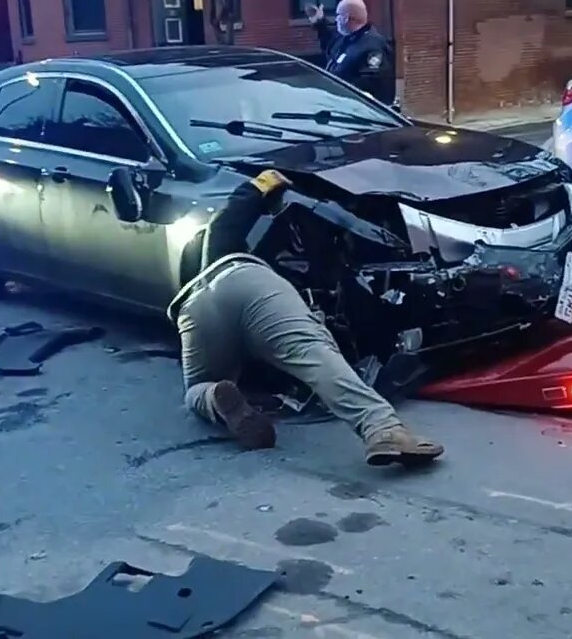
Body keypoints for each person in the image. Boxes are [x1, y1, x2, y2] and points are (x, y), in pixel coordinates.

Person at [167, 169, 443, 467]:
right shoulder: (244, 254)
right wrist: (257, 185)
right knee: (314, 355)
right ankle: (383, 429)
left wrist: (260, 186)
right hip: (250, 281)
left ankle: (212, 397)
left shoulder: (207, 263)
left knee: (196, 387)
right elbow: (226, 221)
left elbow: (224, 223)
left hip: (194, 308)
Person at [305, 0, 396, 105]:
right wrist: (319, 22)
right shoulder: (346, 39)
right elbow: (330, 39)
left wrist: (338, 92)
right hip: (338, 105)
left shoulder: (374, 46)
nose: (336, 20)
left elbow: (372, 84)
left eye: (338, 16)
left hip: (360, 112)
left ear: (347, 18)